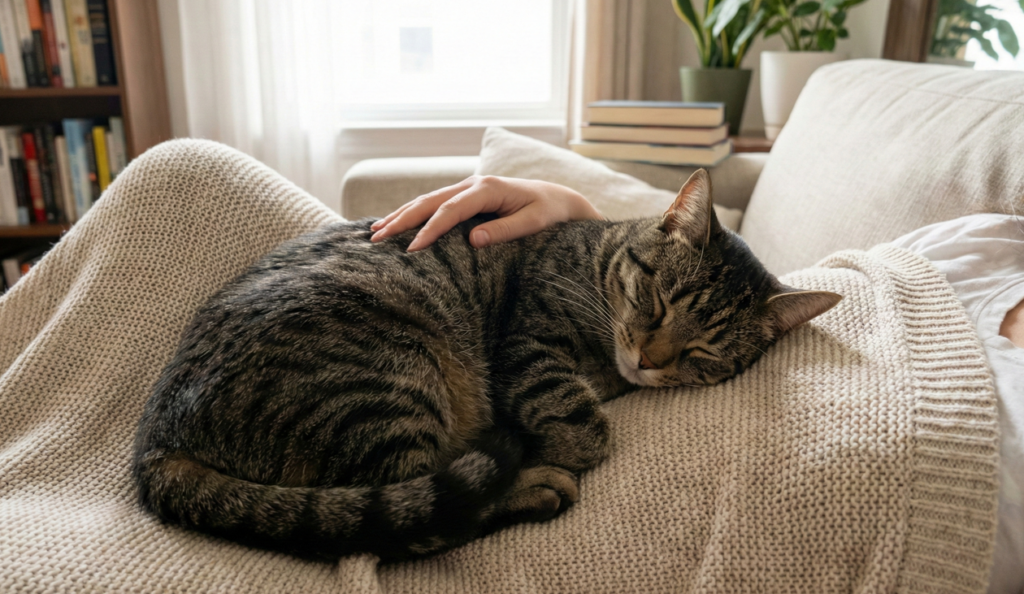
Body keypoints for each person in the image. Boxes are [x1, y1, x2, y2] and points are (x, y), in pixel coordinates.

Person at [373, 175, 1024, 594]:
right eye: (653, 325)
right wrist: (574, 216)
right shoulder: (987, 234)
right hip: (410, 319)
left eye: (695, 355)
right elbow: (658, 269)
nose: (652, 359)